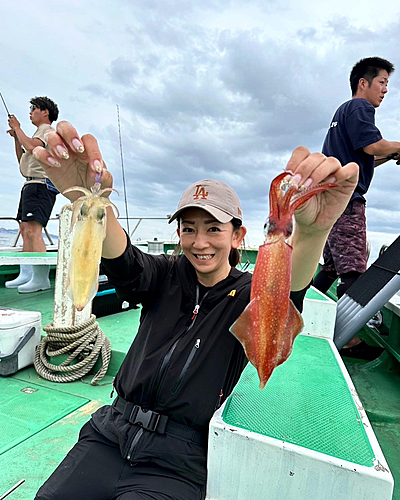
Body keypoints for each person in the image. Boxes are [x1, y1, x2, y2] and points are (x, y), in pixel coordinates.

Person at [32, 121, 358, 500]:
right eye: (188, 228)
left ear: (238, 235)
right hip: (109, 433)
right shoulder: (164, 274)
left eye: (214, 229)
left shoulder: (250, 292)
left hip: (178, 461)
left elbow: (286, 291)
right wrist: (91, 200)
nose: (199, 242)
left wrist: (314, 233)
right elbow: (122, 257)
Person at [313, 57, 400, 353]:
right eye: (382, 82)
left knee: (332, 267)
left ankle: (299, 311)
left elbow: (365, 157)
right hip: (347, 201)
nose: (386, 90)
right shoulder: (361, 107)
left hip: (329, 200)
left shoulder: (343, 111)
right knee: (352, 269)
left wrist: (390, 155)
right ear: (363, 83)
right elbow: (372, 146)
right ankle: (346, 338)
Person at [5, 96, 60, 293]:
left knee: (33, 230)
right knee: (25, 229)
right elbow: (23, 158)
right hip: (30, 184)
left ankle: (40, 278)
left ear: (45, 112)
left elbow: (30, 146)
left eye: (34, 109)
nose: (31, 112)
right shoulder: (37, 134)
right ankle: (27, 274)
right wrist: (16, 138)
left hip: (40, 185)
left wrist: (18, 128)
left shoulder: (47, 132)